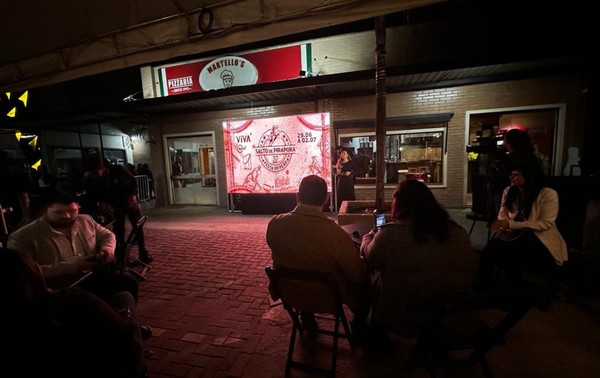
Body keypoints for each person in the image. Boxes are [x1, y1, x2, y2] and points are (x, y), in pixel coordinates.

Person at [0, 247, 146, 378]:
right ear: (32, 273)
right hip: (114, 366)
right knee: (124, 297)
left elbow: (107, 236)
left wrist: (105, 249)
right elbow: (121, 337)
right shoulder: (67, 301)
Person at [360, 179, 477, 339]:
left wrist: (369, 236)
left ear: (400, 203)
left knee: (377, 277)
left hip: (409, 313)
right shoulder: (457, 231)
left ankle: (375, 332)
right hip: (453, 312)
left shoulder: (390, 233)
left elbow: (370, 258)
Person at [266, 175, 370, 331]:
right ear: (326, 199)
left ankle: (307, 318)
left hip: (290, 295)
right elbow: (357, 275)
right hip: (327, 299)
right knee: (367, 281)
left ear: (297, 196)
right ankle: (359, 326)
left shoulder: (275, 224)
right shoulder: (335, 233)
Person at [6, 191, 140, 301]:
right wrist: (72, 266)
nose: (67, 216)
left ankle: (127, 325)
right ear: (45, 210)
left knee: (128, 284)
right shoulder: (23, 237)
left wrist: (107, 249)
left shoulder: (85, 220)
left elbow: (107, 236)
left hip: (90, 275)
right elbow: (23, 274)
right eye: (58, 212)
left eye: (72, 210)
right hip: (56, 288)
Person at [478, 164, 568, 299]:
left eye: (516, 174)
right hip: (515, 234)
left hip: (538, 236)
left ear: (529, 176)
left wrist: (511, 224)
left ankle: (519, 286)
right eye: (511, 174)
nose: (511, 177)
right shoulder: (509, 191)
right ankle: (485, 285)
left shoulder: (547, 194)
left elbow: (546, 223)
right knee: (490, 249)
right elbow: (503, 214)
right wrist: (502, 224)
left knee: (511, 250)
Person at [82, 159, 153, 264]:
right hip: (115, 205)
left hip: (129, 201)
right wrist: (100, 203)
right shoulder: (92, 178)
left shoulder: (117, 169)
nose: (97, 174)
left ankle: (143, 252)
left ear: (103, 168)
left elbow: (133, 180)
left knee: (137, 227)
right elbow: (91, 194)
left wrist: (132, 195)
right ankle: (123, 257)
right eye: (94, 172)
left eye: (98, 171)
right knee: (119, 231)